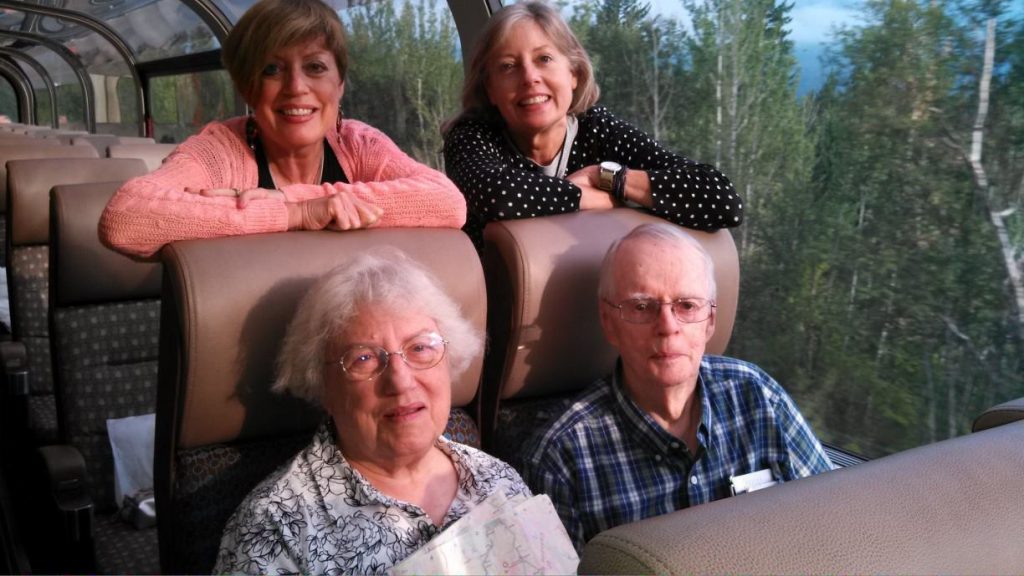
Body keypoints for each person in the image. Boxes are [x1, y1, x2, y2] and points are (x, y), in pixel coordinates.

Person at [214, 250, 530, 574]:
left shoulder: (498, 480)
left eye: (420, 348)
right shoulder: (276, 528)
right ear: (323, 387)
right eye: (363, 358)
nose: (401, 381)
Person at [521, 222, 832, 550]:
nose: (668, 327)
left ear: (710, 319)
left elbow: (833, 518)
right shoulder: (559, 458)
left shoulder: (759, 398)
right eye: (642, 307)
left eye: (687, 306)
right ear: (609, 322)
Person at [100, 0, 464, 259]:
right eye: (272, 70)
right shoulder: (221, 149)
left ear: (340, 85)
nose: (295, 87)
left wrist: (295, 198)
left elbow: (447, 202)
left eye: (315, 67)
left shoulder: (358, 144)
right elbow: (126, 217)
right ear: (247, 87)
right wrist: (298, 216)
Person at [442, 0, 742, 250]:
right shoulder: (471, 136)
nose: (529, 77)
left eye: (544, 58)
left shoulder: (597, 129)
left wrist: (613, 179)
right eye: (508, 66)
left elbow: (722, 200)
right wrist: (586, 195)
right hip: (493, 315)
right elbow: (495, 196)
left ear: (574, 73)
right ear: (490, 88)